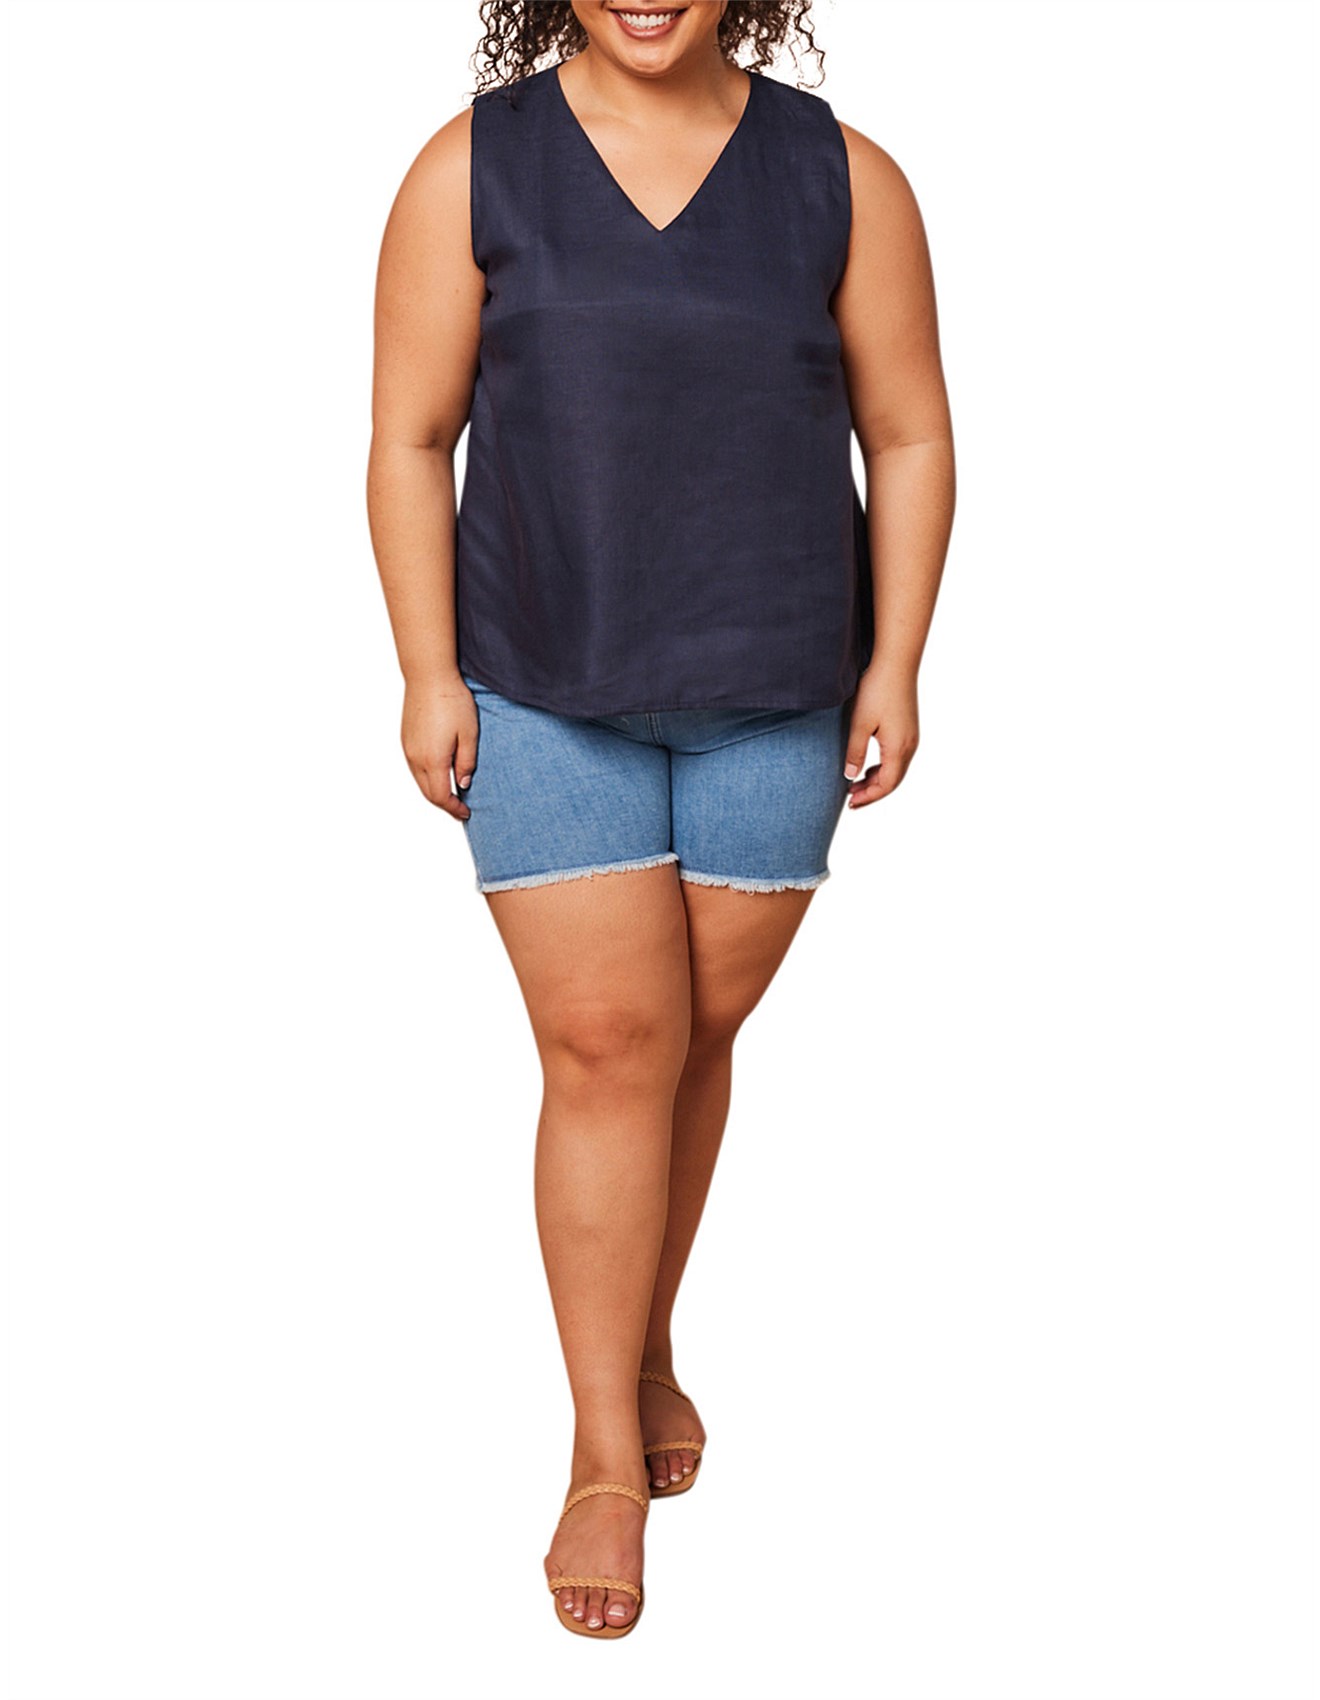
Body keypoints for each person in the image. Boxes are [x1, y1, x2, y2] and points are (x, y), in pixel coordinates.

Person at [366, 0, 954, 1640]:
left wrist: (898, 660)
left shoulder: (847, 178)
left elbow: (909, 432)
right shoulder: (467, 170)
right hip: (537, 682)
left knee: (690, 1035)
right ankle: (601, 1449)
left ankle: (644, 1339)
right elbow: (410, 438)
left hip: (779, 683)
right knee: (611, 1046)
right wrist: (425, 671)